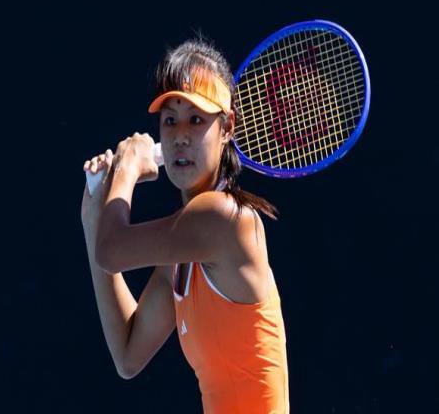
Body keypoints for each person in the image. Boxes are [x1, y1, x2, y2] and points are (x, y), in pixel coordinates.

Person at [80, 37, 290, 414]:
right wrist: (93, 218)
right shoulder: (181, 257)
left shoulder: (223, 218)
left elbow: (111, 251)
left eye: (196, 120)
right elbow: (127, 354)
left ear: (227, 128)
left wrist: (126, 169)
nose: (179, 136)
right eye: (170, 120)